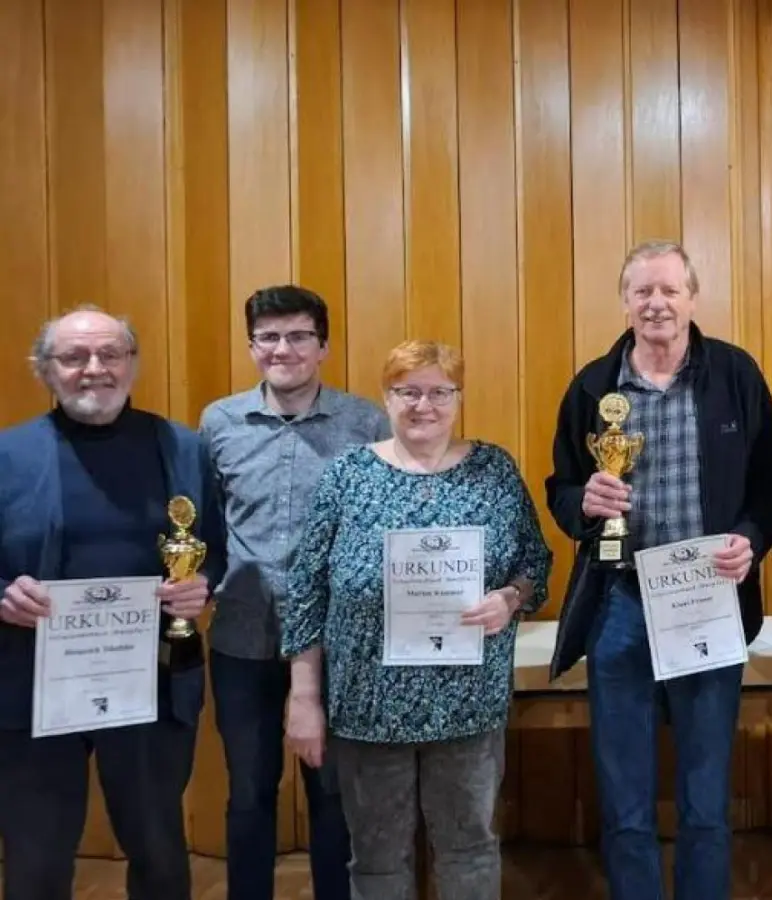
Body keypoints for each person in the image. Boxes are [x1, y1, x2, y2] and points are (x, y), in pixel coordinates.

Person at [544, 240, 772, 900]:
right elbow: (561, 485)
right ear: (625, 302)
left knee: (706, 798)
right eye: (643, 292)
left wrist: (751, 537)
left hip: (708, 601)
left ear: (692, 299)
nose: (656, 303)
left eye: (669, 290)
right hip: (620, 604)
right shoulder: (594, 387)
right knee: (624, 800)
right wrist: (582, 504)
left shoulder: (735, 374)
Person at [278, 339, 552, 900]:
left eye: (438, 392)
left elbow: (534, 562)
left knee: (470, 849)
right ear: (387, 397)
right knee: (376, 859)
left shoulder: (494, 470)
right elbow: (306, 588)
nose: (422, 405)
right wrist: (303, 696)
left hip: (467, 703)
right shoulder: (348, 475)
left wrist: (509, 597)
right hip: (367, 704)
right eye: (408, 392)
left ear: (457, 399)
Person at [0, 305, 227, 899]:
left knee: (158, 847)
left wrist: (201, 586)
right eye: (74, 357)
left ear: (132, 364)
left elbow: (217, 552)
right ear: (44, 370)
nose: (94, 369)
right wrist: (2, 595)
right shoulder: (7, 456)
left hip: (149, 682)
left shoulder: (183, 449)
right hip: (33, 688)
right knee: (37, 855)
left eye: (110, 355)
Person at [200, 285, 389, 900]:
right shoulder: (218, 422)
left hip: (336, 643)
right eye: (270, 337)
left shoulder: (365, 423)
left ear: (323, 344)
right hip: (241, 637)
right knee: (250, 791)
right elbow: (202, 525)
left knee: (333, 793)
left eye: (299, 335)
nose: (284, 348)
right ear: (253, 346)